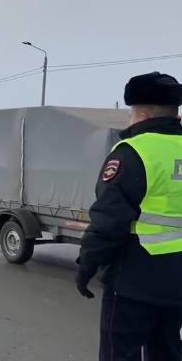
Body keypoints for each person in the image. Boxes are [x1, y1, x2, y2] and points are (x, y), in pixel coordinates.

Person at [77, 71, 182, 360]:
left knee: (118, 354)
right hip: (178, 284)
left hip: (133, 282)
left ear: (143, 115)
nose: (129, 120)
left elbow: (109, 222)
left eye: (131, 114)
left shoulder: (133, 152)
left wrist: (87, 265)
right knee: (169, 352)